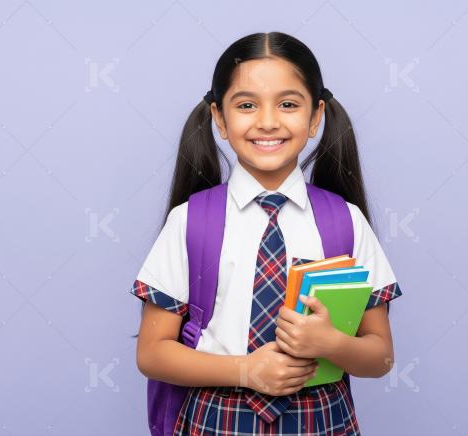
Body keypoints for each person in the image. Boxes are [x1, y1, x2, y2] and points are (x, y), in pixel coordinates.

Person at [131, 31, 402, 435]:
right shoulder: (190, 221)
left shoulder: (344, 221)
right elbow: (152, 354)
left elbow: (380, 358)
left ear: (315, 118)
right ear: (219, 119)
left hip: (323, 421)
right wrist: (246, 370)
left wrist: (332, 344)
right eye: (246, 105)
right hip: (215, 419)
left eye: (289, 104)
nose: (268, 121)